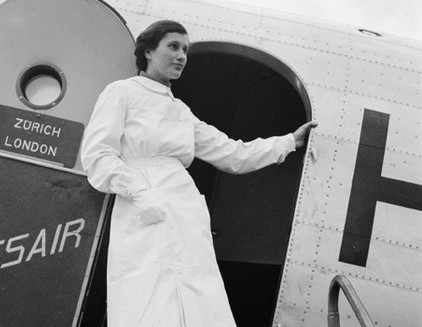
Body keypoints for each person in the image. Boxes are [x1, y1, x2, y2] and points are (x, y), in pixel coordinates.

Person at [80, 20, 318, 327]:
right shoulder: (122, 93)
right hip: (143, 207)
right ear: (148, 51)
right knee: (149, 296)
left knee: (197, 295)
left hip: (184, 208)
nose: (182, 56)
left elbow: (232, 154)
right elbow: (97, 156)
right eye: (173, 46)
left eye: (186, 50)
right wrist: (140, 192)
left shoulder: (181, 111)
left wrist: (289, 141)